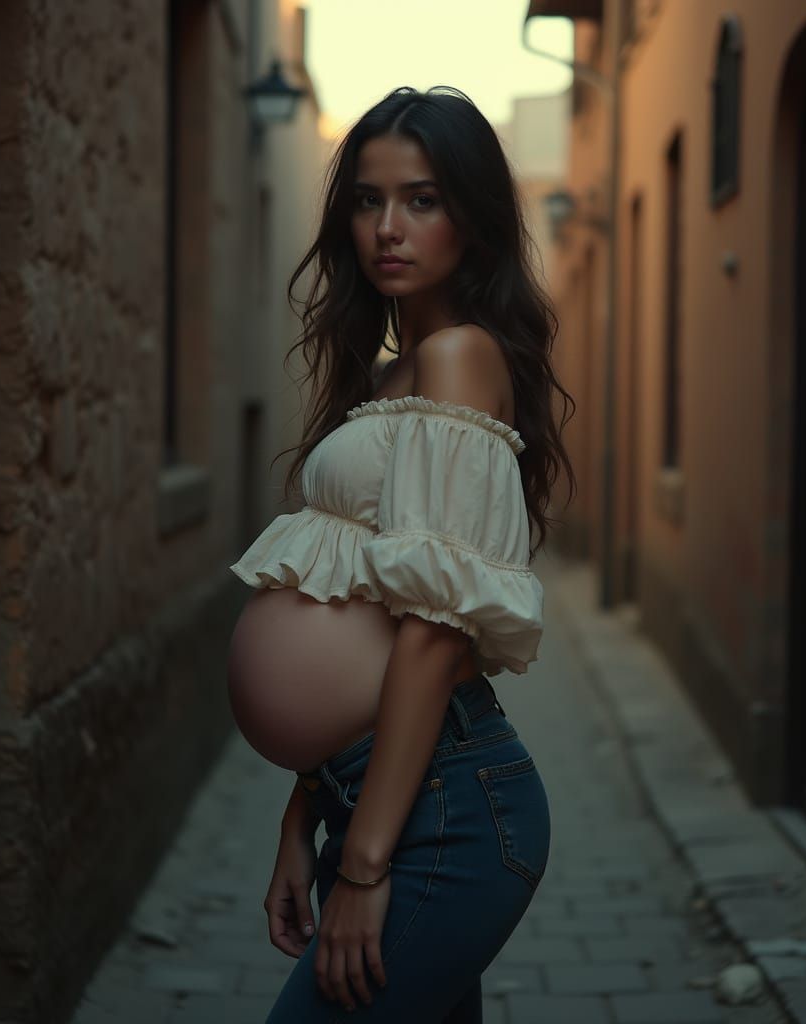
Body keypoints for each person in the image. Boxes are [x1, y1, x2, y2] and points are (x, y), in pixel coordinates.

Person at [227, 85, 576, 1023]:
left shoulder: (461, 355)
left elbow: (431, 629)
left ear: (473, 218)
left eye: (421, 199)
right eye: (367, 199)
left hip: (444, 817)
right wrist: (307, 819)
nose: (388, 226)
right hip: (383, 796)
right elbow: (360, 599)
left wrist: (365, 866)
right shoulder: (392, 373)